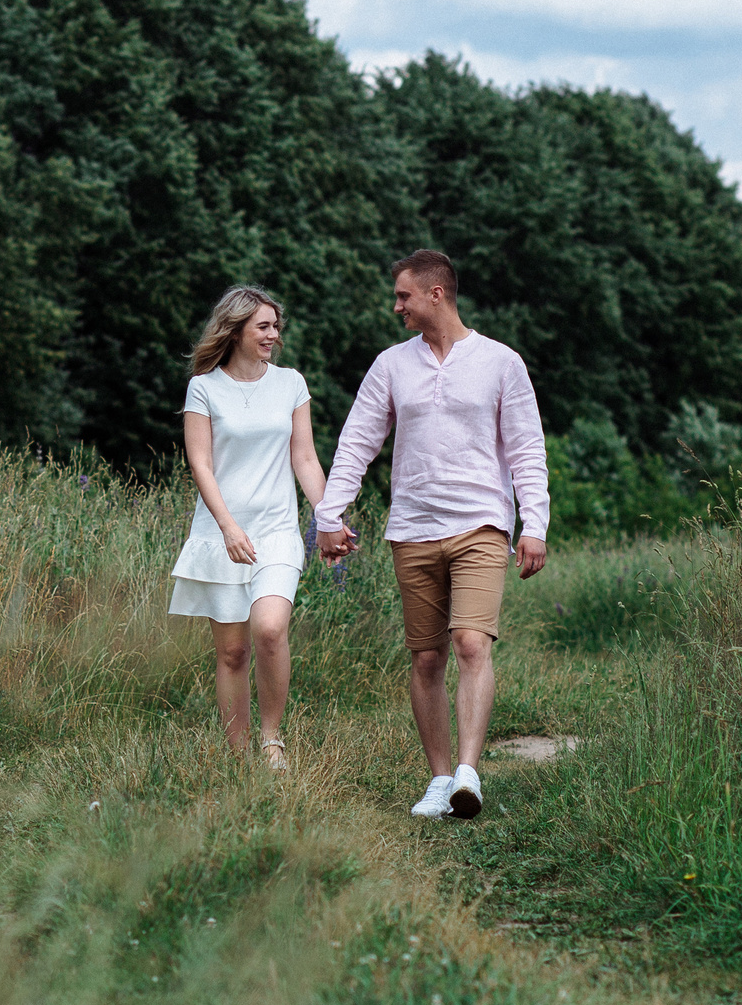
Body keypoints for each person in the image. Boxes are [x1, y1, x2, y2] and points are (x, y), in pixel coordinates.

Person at [315, 250, 548, 820]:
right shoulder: (391, 365)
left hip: (480, 525)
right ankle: (440, 779)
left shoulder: (500, 362)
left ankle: (469, 772)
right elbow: (358, 442)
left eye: (404, 296)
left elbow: (526, 449)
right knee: (426, 658)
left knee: (471, 643)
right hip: (413, 529)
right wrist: (329, 514)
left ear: (436, 294)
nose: (396, 306)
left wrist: (534, 523)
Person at [170, 285, 328, 772]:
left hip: (277, 530)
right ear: (235, 328)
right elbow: (202, 465)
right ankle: (238, 755)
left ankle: (271, 739)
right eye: (264, 326)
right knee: (233, 652)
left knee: (270, 628)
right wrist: (227, 527)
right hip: (222, 532)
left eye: (276, 326)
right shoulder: (204, 387)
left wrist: (328, 517)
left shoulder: (291, 384)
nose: (273, 335)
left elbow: (304, 457)